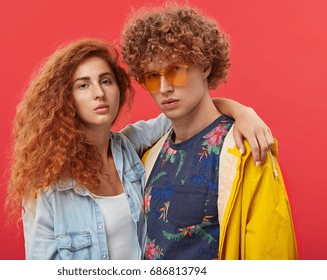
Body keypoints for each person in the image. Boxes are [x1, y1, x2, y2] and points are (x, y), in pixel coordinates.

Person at [6, 38, 279, 260]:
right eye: (83, 85)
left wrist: (243, 113)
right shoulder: (47, 190)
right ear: (66, 99)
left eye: (106, 81)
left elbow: (191, 110)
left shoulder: (129, 146)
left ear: (119, 89)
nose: (99, 93)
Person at [121, 4, 297, 259]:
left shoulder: (246, 151)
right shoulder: (148, 157)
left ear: (205, 66)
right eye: (151, 76)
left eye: (175, 71)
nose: (163, 88)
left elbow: (272, 256)